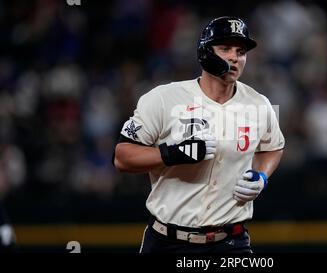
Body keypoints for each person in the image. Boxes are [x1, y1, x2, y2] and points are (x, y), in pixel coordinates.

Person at [113, 16, 285, 253]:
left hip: (231, 242)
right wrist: (173, 153)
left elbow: (274, 146)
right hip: (168, 241)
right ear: (205, 52)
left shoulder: (259, 104)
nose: (235, 57)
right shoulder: (163, 98)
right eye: (224, 48)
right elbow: (122, 157)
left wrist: (262, 177)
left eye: (241, 51)